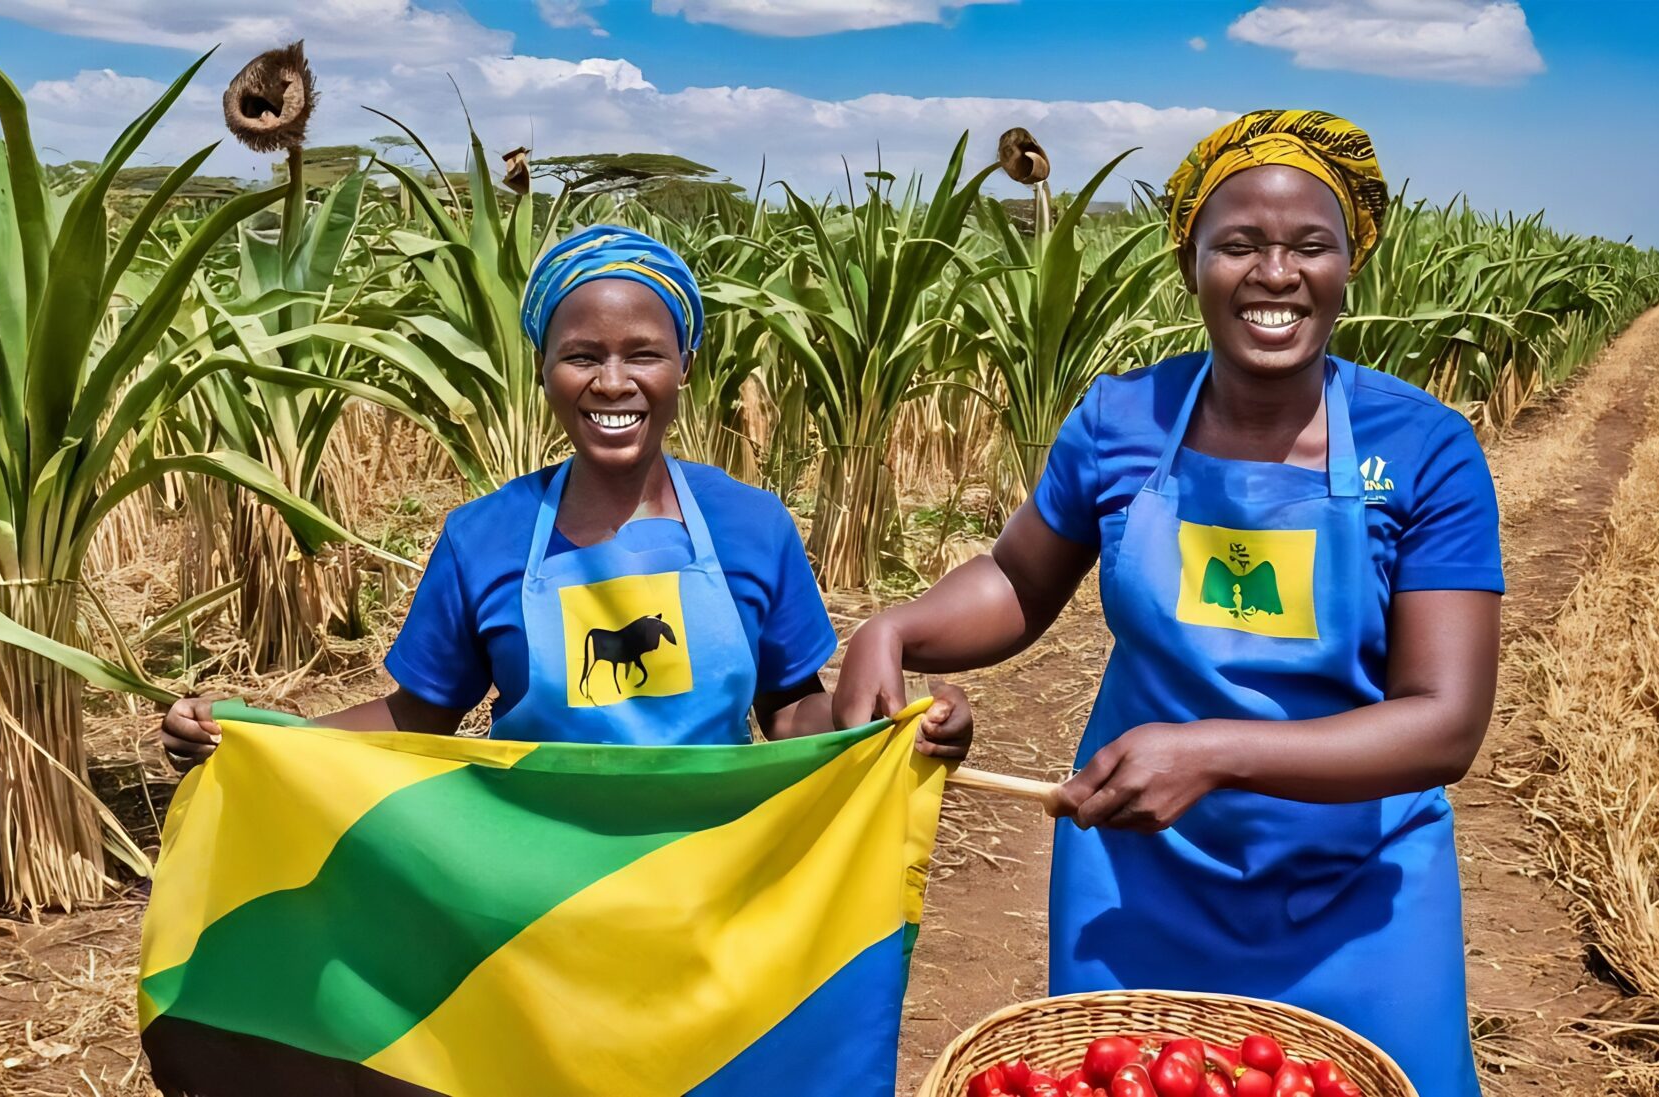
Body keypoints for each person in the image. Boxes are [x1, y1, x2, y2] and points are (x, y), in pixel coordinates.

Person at [833, 111, 1500, 1096]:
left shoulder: (1426, 448)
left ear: (1350, 262)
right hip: (1140, 871)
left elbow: (1443, 723)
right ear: (1190, 262)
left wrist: (1212, 751)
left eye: (1309, 244)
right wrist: (895, 627)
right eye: (1238, 244)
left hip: (1359, 885)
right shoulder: (1120, 419)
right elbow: (1019, 580)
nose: (1275, 271)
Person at [162, 225, 971, 759]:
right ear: (545, 371)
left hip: (721, 888)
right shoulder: (485, 537)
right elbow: (421, 717)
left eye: (643, 354)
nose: (612, 381)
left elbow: (791, 710)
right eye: (582, 355)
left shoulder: (750, 525)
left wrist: (901, 730)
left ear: (683, 366)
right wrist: (264, 736)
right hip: (538, 898)